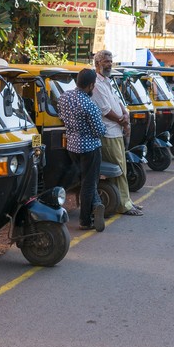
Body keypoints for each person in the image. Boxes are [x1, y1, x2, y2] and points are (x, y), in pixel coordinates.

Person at [91, 50, 143, 217]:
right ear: (97, 63)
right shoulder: (96, 84)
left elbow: (118, 102)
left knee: (123, 167)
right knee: (118, 169)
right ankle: (124, 205)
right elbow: (105, 110)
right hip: (108, 132)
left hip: (116, 130)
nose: (109, 64)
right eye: (106, 61)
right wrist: (123, 121)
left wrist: (125, 115)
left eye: (110, 61)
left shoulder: (106, 81)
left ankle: (126, 200)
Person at [58, 68, 106, 232]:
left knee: (85, 180)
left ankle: (97, 204)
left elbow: (61, 116)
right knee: (89, 183)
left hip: (72, 146)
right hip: (90, 148)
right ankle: (85, 220)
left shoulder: (64, 97)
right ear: (91, 85)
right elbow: (99, 131)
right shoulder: (89, 105)